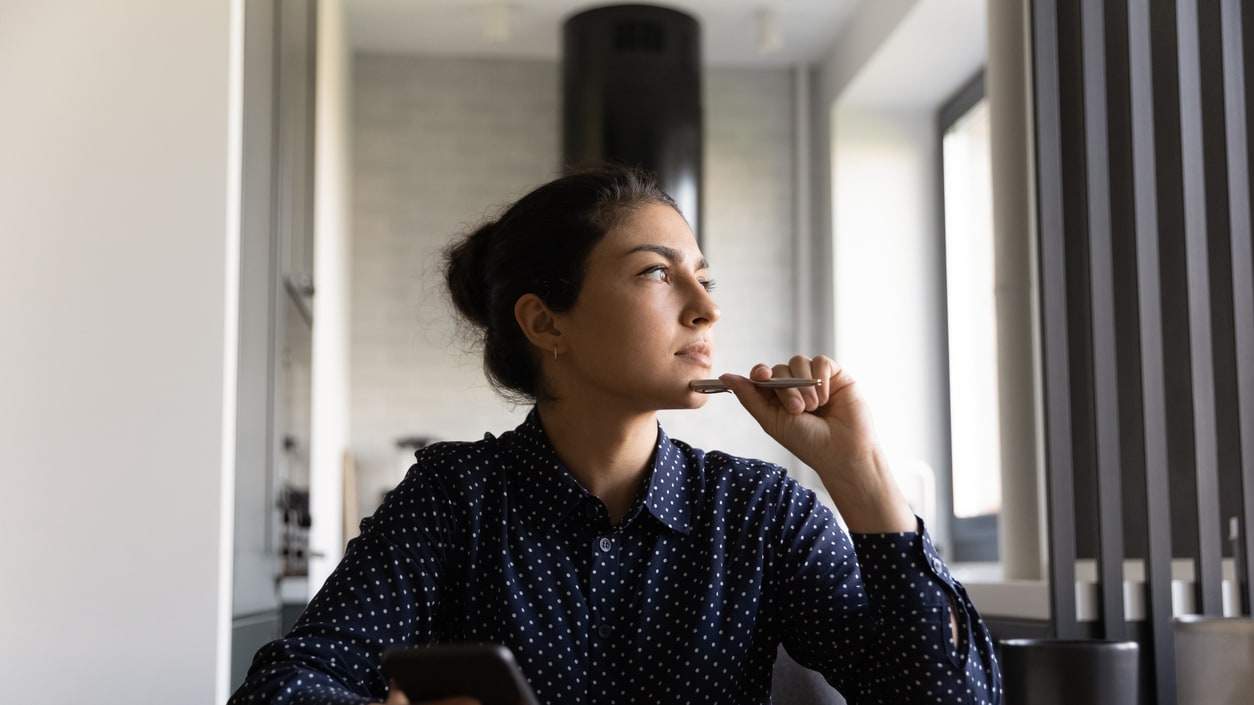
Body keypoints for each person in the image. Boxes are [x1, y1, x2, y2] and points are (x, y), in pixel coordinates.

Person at [229, 165, 1002, 705]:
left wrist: (860, 472)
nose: (706, 307)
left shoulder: (761, 512)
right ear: (545, 321)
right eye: (657, 273)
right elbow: (285, 686)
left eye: (704, 275)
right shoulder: (455, 497)